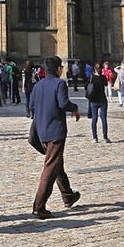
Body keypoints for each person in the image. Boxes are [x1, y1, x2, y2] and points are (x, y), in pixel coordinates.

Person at [29, 55, 81, 219]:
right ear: (59, 69)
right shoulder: (60, 83)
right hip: (55, 131)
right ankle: (39, 206)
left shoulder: (38, 85)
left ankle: (68, 196)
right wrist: (75, 108)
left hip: (42, 132)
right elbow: (63, 103)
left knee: (57, 163)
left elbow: (31, 106)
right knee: (51, 167)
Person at [86, 63, 112, 143]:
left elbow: (86, 86)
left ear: (94, 69)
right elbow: (106, 84)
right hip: (102, 99)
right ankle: (105, 137)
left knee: (94, 119)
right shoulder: (103, 78)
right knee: (103, 119)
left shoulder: (91, 77)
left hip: (94, 100)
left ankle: (95, 137)